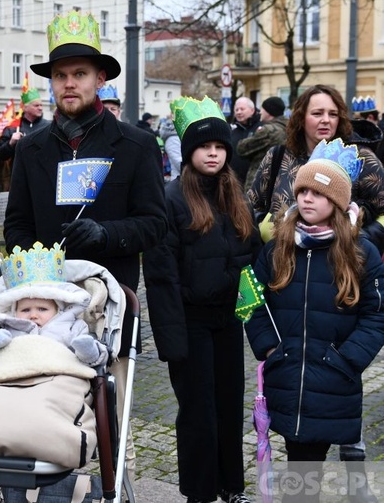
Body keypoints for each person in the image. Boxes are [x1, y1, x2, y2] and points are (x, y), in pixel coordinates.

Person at [4, 8, 167, 489]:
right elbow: (15, 226)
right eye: (60, 75)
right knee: (45, 414)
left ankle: (113, 488)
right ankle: (53, 491)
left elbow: (155, 225)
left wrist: (107, 234)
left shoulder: (135, 145)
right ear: (50, 83)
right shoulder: (31, 149)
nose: (69, 83)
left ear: (99, 79)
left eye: (79, 74)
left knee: (108, 417)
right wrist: (36, 263)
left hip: (108, 304)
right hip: (44, 307)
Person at [245, 139, 384, 503]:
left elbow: (376, 313)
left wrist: (347, 359)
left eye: (317, 193)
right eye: (302, 190)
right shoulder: (278, 247)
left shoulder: (361, 252)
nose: (306, 198)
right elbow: (250, 301)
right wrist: (269, 347)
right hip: (287, 375)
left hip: (332, 378)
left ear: (336, 202)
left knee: (311, 464)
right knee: (299, 465)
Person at [143, 96, 261, 503]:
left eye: (219, 147)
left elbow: (252, 254)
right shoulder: (172, 198)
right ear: (189, 151)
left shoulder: (235, 194)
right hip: (190, 321)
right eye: (204, 147)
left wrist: (248, 300)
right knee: (198, 415)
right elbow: (161, 274)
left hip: (228, 319)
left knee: (229, 407)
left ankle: (231, 487)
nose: (212, 153)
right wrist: (171, 340)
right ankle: (199, 491)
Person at [248, 84, 384, 253]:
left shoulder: (359, 157)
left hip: (339, 267)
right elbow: (253, 207)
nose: (326, 120)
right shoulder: (278, 156)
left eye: (333, 114)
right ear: (301, 118)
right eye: (317, 113)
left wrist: (359, 242)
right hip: (281, 264)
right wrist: (266, 233)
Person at [0, 243, 107, 367]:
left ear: (58, 309)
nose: (33, 315)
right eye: (25, 310)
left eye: (42, 309)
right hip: (13, 378)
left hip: (59, 376)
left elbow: (95, 360)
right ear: (14, 311)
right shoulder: (7, 329)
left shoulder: (72, 328)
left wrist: (88, 351)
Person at [237, 96, 288, 189]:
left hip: (260, 184)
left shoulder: (268, 130)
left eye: (262, 109)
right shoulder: (288, 128)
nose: (260, 112)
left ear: (269, 112)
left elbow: (241, 149)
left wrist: (257, 134)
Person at [0, 87, 49, 170]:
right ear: (25, 108)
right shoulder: (12, 127)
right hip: (20, 175)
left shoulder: (48, 126)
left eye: (41, 105)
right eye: (36, 105)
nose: (40, 108)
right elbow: (0, 155)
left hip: (42, 174)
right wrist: (11, 143)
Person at [230, 96, 262, 185]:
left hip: (254, 181)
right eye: (236, 110)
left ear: (252, 110)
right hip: (234, 181)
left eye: (242, 109)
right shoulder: (231, 130)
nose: (239, 112)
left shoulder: (262, 128)